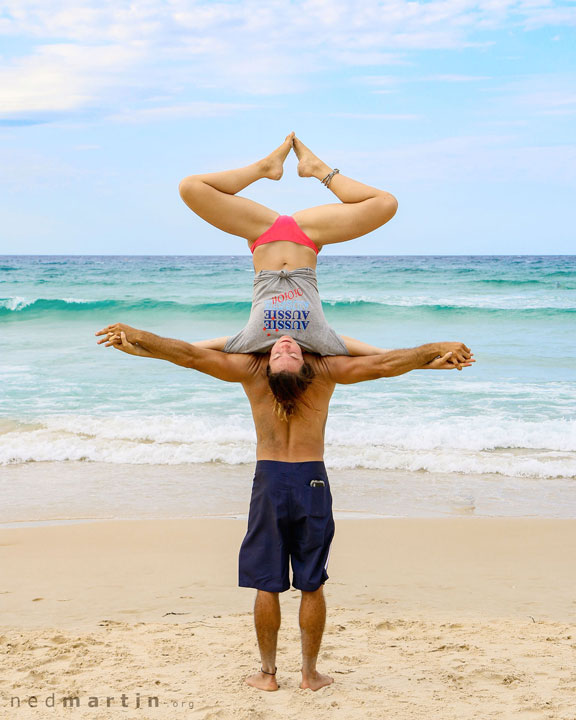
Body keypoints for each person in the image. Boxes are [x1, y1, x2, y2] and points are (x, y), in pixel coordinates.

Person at [95, 322, 474, 691]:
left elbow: (192, 355)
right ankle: (296, 674)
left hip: (271, 482)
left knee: (276, 583)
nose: (285, 344)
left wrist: (142, 340)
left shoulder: (252, 371)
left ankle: (280, 673)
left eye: (287, 350)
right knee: (302, 584)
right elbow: (382, 364)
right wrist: (432, 351)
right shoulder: (324, 371)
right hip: (312, 481)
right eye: (282, 350)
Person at [178, 133, 399, 364]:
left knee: (190, 187)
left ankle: (264, 167)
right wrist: (423, 358)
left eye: (277, 356)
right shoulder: (321, 341)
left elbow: (189, 352)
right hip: (309, 235)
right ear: (304, 361)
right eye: (293, 356)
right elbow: (381, 356)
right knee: (386, 204)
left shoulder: (251, 342)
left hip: (261, 233)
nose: (285, 348)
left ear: (269, 361)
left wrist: (146, 345)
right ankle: (317, 168)